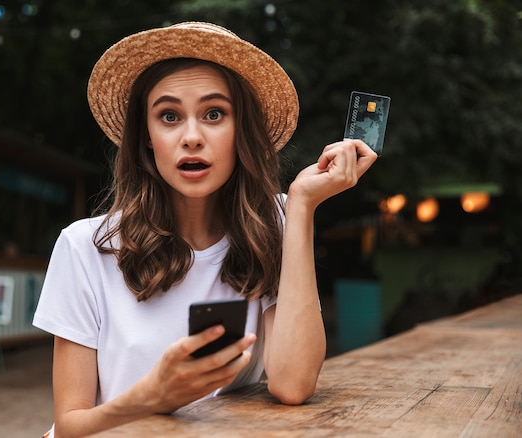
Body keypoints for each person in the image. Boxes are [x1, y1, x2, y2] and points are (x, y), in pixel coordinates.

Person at [33, 21, 377, 437]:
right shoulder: (85, 247)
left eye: (214, 114)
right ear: (146, 135)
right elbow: (70, 425)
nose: (191, 137)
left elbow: (293, 384)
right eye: (169, 116)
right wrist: (152, 397)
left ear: (240, 131)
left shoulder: (270, 228)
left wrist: (300, 206)